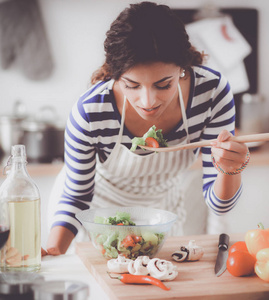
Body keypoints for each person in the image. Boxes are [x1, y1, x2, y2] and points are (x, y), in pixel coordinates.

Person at [44, 1, 249, 256]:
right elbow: (76, 198)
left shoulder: (212, 94)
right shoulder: (90, 112)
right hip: (96, 215)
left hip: (159, 215)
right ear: (114, 74)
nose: (148, 102)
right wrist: (53, 250)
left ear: (183, 68)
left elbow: (219, 205)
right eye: (132, 85)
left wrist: (230, 169)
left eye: (164, 85)